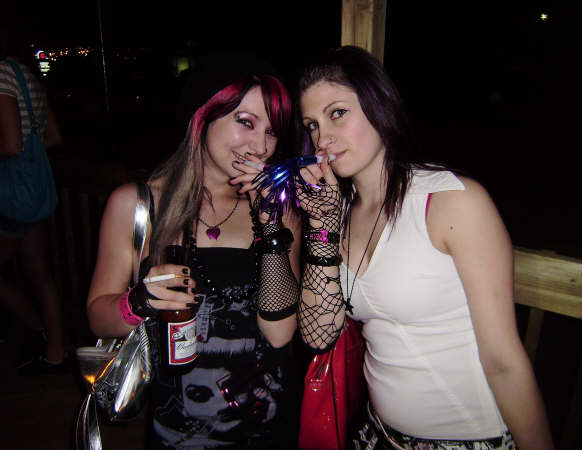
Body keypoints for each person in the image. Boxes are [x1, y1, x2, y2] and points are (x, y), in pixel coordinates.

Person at [295, 46, 553, 450]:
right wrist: (320, 225)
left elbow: (504, 362)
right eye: (312, 124)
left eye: (337, 113)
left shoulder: (452, 202)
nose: (322, 138)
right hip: (376, 434)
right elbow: (318, 334)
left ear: (378, 106)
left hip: (466, 440)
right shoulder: (337, 212)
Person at [87, 54, 301, 449]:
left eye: (271, 131)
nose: (260, 147)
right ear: (203, 117)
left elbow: (280, 334)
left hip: (267, 424)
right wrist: (140, 301)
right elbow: (98, 318)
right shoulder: (137, 205)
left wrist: (271, 223)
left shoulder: (278, 209)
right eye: (246, 122)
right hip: (177, 429)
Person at [0, 29, 68, 375]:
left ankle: (35, 329)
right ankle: (54, 348)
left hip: (10, 194)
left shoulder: (1, 74)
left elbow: (11, 145)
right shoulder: (27, 74)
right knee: (40, 272)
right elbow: (53, 136)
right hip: (34, 192)